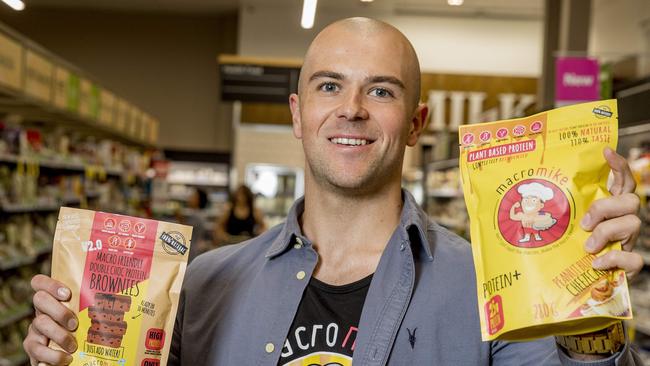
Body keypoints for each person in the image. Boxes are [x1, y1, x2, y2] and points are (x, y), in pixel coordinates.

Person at [24, 18, 644, 365]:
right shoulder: (201, 285)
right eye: (328, 87)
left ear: (416, 124)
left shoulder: (491, 286)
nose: (350, 110)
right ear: (297, 115)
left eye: (380, 90)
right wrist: (69, 355)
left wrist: (587, 303)